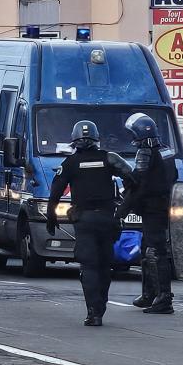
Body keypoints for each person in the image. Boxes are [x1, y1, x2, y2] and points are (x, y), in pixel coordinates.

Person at [46, 120, 134, 327]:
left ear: (74, 140)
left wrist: (51, 219)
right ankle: (101, 305)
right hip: (108, 219)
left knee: (89, 266)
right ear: (97, 138)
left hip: (84, 220)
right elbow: (133, 180)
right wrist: (124, 207)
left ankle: (93, 312)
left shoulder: (70, 163)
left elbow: (55, 193)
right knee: (105, 264)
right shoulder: (110, 158)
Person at [122, 113, 178, 315]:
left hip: (153, 209)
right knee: (148, 249)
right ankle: (149, 294)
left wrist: (123, 207)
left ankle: (163, 297)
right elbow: (174, 177)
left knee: (155, 252)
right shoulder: (166, 150)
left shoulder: (145, 153)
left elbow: (139, 182)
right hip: (164, 206)